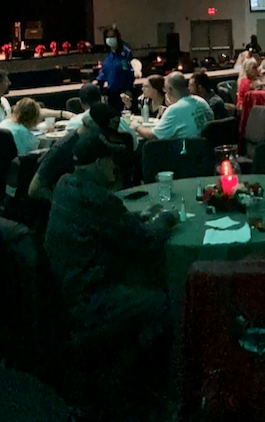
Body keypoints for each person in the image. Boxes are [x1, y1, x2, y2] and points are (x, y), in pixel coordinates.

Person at [42, 122, 178, 372]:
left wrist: (137, 218)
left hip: (62, 291)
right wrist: (167, 219)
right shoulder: (97, 198)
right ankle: (152, 376)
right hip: (85, 302)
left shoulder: (64, 185)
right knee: (159, 301)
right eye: (110, 160)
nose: (114, 166)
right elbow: (146, 241)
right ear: (98, 163)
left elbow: (111, 226)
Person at [30, 99, 134, 199]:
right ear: (87, 125)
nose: (107, 139)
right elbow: (34, 189)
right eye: (104, 133)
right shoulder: (62, 149)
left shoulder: (102, 141)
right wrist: (68, 202)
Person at [138, 74, 212, 141]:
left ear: (170, 89)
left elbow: (153, 136)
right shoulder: (201, 101)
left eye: (165, 89)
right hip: (206, 148)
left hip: (186, 150)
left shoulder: (174, 110)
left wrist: (136, 126)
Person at [95, 27, 134, 96]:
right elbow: (105, 70)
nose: (110, 39)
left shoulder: (125, 53)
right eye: (108, 37)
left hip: (123, 91)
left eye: (112, 36)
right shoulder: (109, 54)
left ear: (117, 37)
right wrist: (98, 80)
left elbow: (128, 72)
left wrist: (128, 89)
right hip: (111, 91)